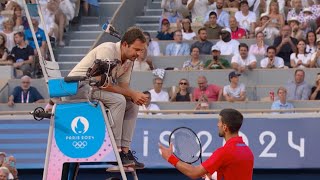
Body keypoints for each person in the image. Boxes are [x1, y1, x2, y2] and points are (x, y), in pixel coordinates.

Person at [68, 27, 149, 169]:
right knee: (119, 100)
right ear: (125, 44)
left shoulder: (129, 60)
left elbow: (123, 87)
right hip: (78, 89)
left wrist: (135, 96)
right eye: (136, 49)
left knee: (132, 103)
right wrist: (132, 93)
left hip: (94, 89)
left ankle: (125, 151)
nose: (138, 54)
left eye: (141, 50)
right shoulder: (107, 50)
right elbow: (103, 83)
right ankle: (114, 151)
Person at [159, 108, 254, 180]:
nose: (217, 125)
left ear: (225, 127)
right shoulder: (248, 151)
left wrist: (170, 158)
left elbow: (193, 173)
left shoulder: (224, 152)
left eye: (219, 122)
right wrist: (212, 176)